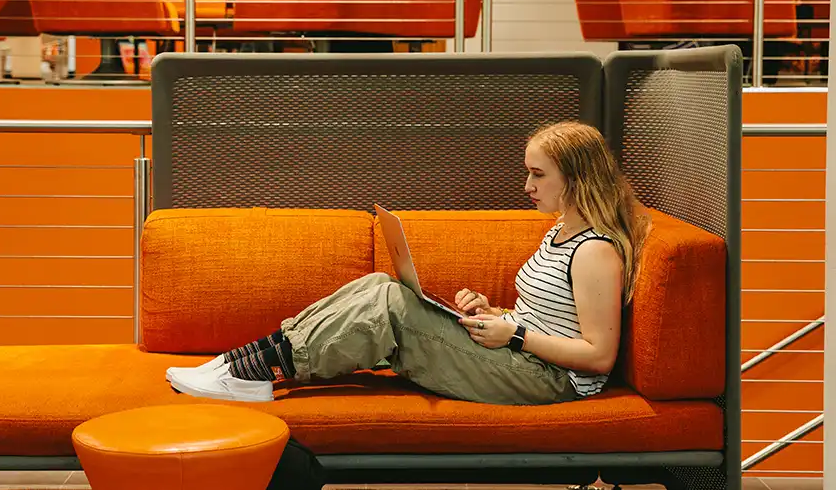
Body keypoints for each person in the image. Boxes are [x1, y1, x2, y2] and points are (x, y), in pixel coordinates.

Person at [167, 121, 651, 406]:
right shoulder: (559, 230)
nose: (527, 185)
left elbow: (597, 355)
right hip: (521, 352)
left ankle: (253, 372)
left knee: (388, 304)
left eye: (538, 174)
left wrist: (517, 335)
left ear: (576, 178)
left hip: (549, 380)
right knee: (379, 281)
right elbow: (553, 316)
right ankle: (245, 361)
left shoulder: (595, 251)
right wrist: (496, 313)